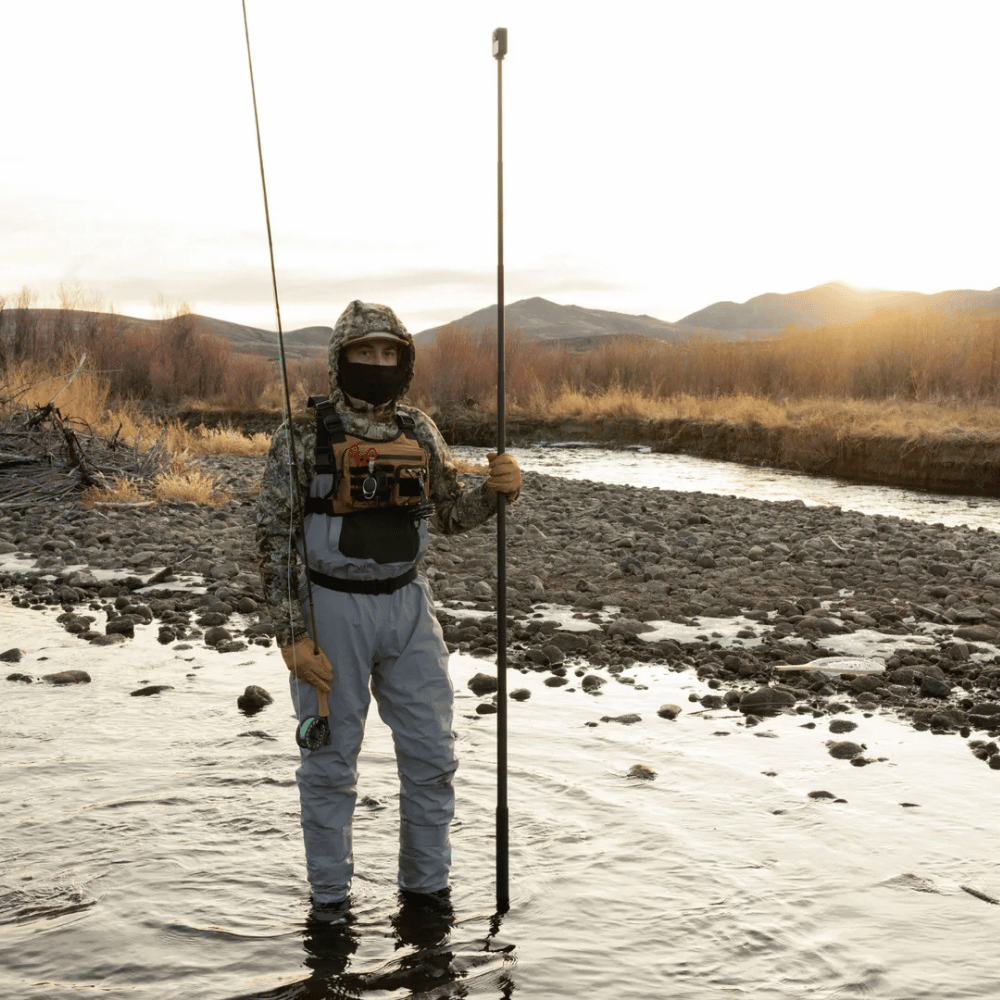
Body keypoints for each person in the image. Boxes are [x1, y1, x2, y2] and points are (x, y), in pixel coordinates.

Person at [255, 299, 521, 919]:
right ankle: (330, 910)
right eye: (364, 352)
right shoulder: (299, 435)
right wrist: (291, 634)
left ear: (404, 359)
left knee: (433, 758)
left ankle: (427, 898)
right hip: (329, 614)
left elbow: (451, 513)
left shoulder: (420, 430)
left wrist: (497, 492)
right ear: (339, 358)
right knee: (328, 768)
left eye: (389, 353)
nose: (377, 363)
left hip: (409, 610)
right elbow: (274, 538)